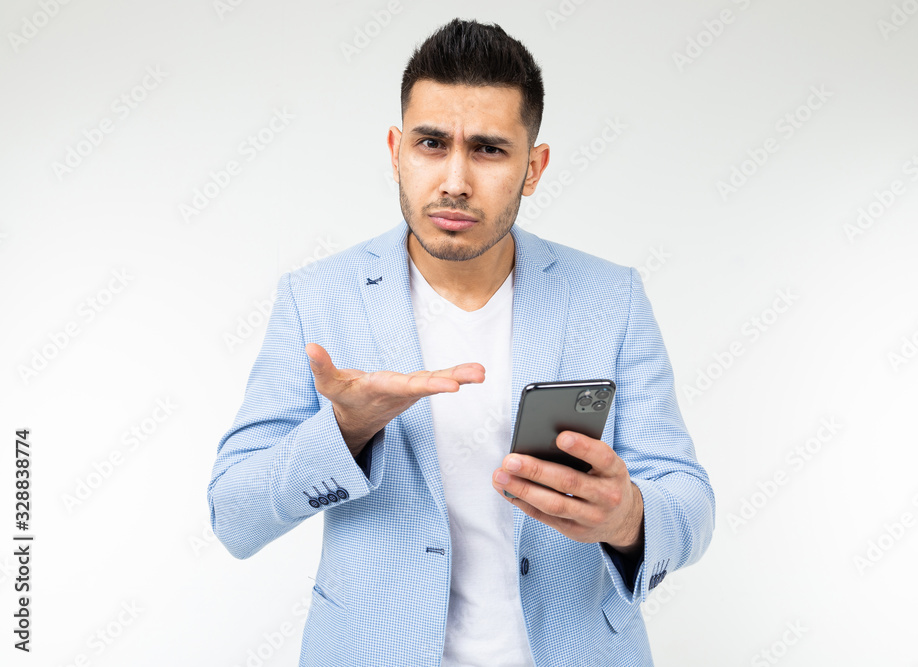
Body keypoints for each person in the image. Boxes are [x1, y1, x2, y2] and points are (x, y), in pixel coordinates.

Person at [208, 17, 715, 667]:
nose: (454, 180)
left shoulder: (609, 297)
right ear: (396, 150)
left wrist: (632, 517)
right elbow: (233, 513)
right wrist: (344, 432)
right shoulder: (318, 297)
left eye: (488, 149)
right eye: (430, 144)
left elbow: (689, 495)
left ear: (534, 168)